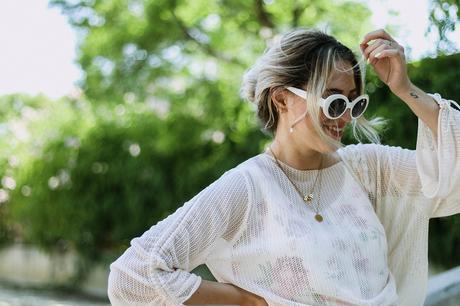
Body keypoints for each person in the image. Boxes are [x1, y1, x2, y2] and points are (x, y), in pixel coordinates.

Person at [107, 28, 460, 306]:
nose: (346, 117)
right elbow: (134, 276)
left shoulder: (368, 168)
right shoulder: (247, 187)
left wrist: (405, 88)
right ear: (282, 98)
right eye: (334, 101)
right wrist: (246, 301)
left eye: (354, 103)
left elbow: (453, 170)